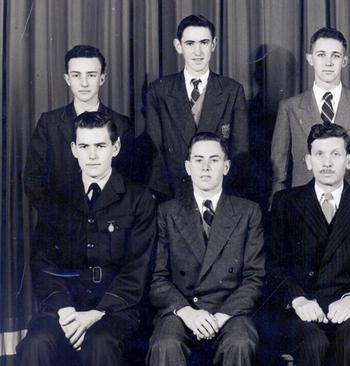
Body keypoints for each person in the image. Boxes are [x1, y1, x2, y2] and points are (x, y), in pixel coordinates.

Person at [16, 112, 156, 366]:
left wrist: (96, 313)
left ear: (115, 148)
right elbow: (42, 263)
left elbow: (138, 269)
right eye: (84, 146)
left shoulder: (139, 199)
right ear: (73, 149)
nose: (92, 155)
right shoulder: (57, 197)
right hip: (64, 307)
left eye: (100, 146)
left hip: (114, 310)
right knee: (37, 343)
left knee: (101, 344)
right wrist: (66, 311)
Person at [148, 132, 265, 365]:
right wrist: (188, 313)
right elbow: (157, 278)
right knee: (166, 344)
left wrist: (221, 316)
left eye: (214, 160)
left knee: (241, 343)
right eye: (198, 160)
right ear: (188, 167)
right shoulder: (167, 212)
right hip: (182, 309)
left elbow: (255, 278)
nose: (206, 167)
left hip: (229, 311)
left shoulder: (248, 211)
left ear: (226, 166)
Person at [270, 123, 350, 365]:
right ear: (308, 161)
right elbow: (273, 266)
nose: (327, 162)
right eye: (319, 154)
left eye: (335, 154)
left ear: (349, 160)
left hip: (348, 306)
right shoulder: (286, 202)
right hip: (301, 307)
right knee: (313, 343)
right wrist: (298, 300)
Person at [270, 27, 350, 201]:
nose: (328, 63)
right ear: (310, 59)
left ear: (344, 61)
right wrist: (277, 207)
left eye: (336, 56)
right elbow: (279, 169)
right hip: (302, 205)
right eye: (321, 55)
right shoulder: (290, 107)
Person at [24, 45, 141, 211]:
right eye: (76, 75)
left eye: (91, 75)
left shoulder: (122, 124)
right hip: (59, 224)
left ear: (102, 78)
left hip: (109, 225)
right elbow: (33, 180)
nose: (84, 83)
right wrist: (59, 217)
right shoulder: (48, 123)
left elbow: (130, 179)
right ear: (67, 79)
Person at [144, 14, 248, 200]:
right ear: (178, 46)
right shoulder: (158, 90)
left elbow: (240, 151)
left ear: (213, 45)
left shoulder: (232, 90)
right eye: (190, 43)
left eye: (204, 43)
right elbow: (155, 151)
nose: (198, 52)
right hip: (172, 195)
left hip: (219, 193)